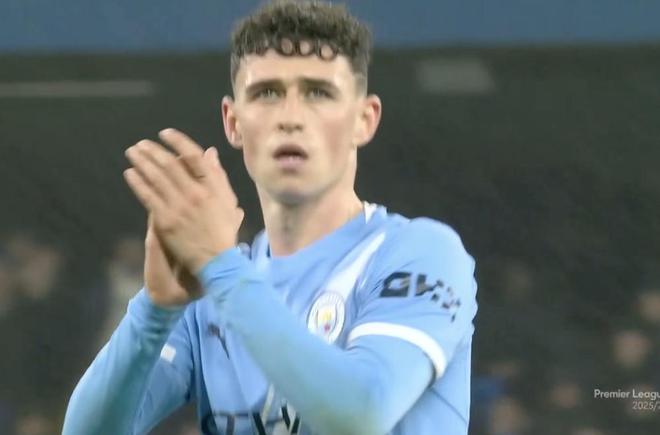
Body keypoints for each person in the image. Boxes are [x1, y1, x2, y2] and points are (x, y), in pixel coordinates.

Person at [62, 1, 478, 434]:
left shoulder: (421, 253)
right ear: (233, 122)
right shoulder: (207, 291)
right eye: (266, 93)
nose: (290, 117)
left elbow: (360, 415)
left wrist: (221, 266)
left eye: (318, 92)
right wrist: (155, 310)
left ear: (364, 120)